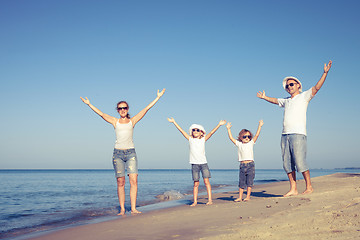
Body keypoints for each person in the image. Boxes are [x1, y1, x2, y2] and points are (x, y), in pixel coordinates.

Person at [80, 88, 165, 215]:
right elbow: (102, 114)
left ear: (128, 109)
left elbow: (146, 109)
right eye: (120, 108)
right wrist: (89, 104)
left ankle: (134, 208)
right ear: (117, 110)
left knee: (134, 181)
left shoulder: (132, 121)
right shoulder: (115, 121)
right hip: (117, 154)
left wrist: (157, 98)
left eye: (124, 107)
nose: (122, 110)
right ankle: (122, 209)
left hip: (131, 153)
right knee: (121, 182)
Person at [257, 60, 332, 197]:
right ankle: (293, 188)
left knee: (300, 161)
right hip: (285, 135)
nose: (289, 87)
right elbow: (275, 100)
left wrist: (325, 73)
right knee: (287, 164)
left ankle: (309, 186)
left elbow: (316, 88)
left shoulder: (304, 97)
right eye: (287, 86)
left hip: (298, 134)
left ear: (298, 86)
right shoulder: (286, 100)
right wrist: (264, 97)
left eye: (291, 84)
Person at [167, 118, 226, 206]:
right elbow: (181, 131)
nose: (195, 131)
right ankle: (195, 201)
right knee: (196, 184)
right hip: (194, 164)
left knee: (206, 182)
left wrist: (219, 125)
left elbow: (211, 133)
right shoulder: (190, 139)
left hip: (203, 164)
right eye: (193, 130)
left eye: (197, 130)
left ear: (201, 132)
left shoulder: (203, 139)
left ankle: (210, 200)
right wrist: (174, 122)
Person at [226, 120, 264, 202]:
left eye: (248, 137)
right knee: (241, 182)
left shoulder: (251, 143)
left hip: (250, 165)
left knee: (249, 182)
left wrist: (260, 126)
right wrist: (228, 129)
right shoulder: (239, 144)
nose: (247, 138)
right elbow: (231, 138)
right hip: (242, 165)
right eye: (244, 137)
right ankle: (240, 197)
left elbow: (257, 135)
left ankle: (248, 196)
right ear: (240, 137)